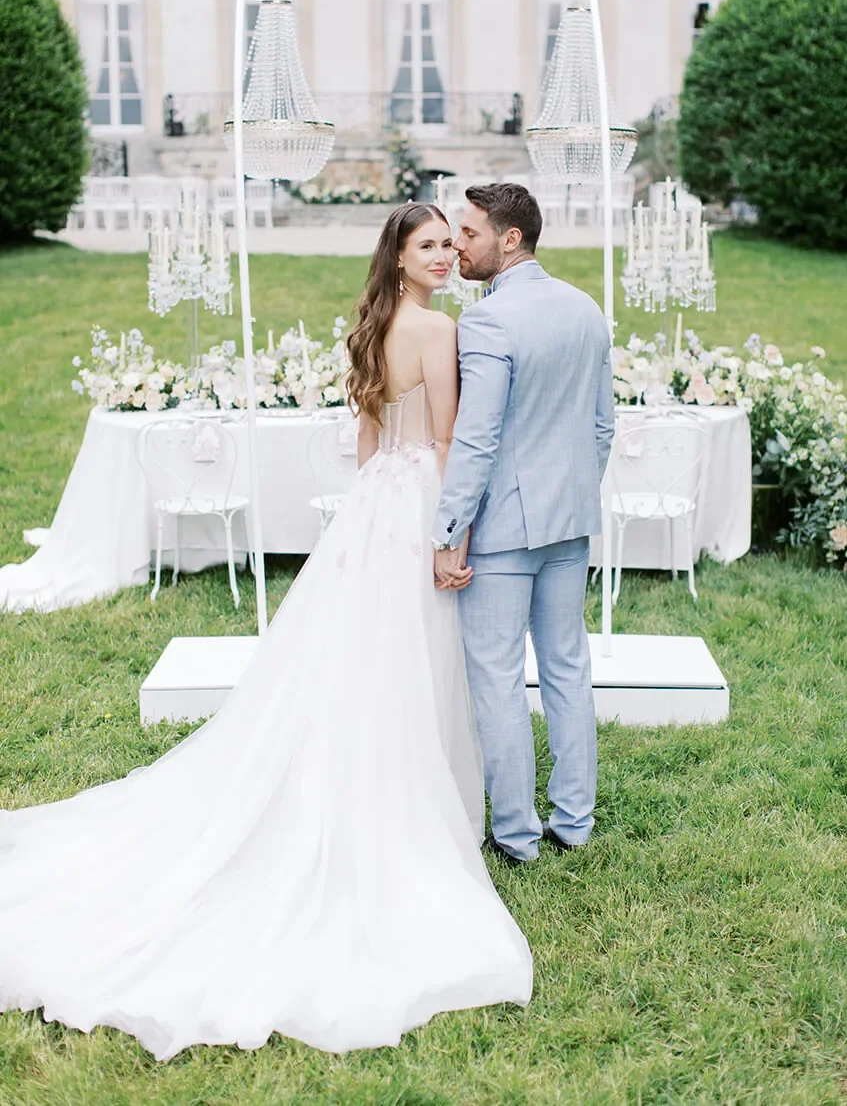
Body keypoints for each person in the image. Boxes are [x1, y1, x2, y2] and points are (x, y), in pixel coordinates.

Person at [0, 203, 532, 1061]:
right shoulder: (436, 332)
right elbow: (446, 443)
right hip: (421, 502)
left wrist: (368, 516)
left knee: (360, 657)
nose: (442, 257)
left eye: (447, 244)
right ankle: (420, 803)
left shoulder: (372, 327)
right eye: (427, 245)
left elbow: (369, 441)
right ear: (399, 258)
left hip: (374, 507)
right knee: (413, 658)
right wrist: (448, 537)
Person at [432, 183, 614, 865]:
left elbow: (475, 440)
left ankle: (514, 834)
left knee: (499, 678)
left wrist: (449, 532)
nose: (458, 245)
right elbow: (601, 427)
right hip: (570, 524)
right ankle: (574, 819)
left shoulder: (485, 323)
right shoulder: (585, 309)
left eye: (469, 234)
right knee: (567, 667)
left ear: (510, 239)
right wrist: (570, 495)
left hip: (503, 533)